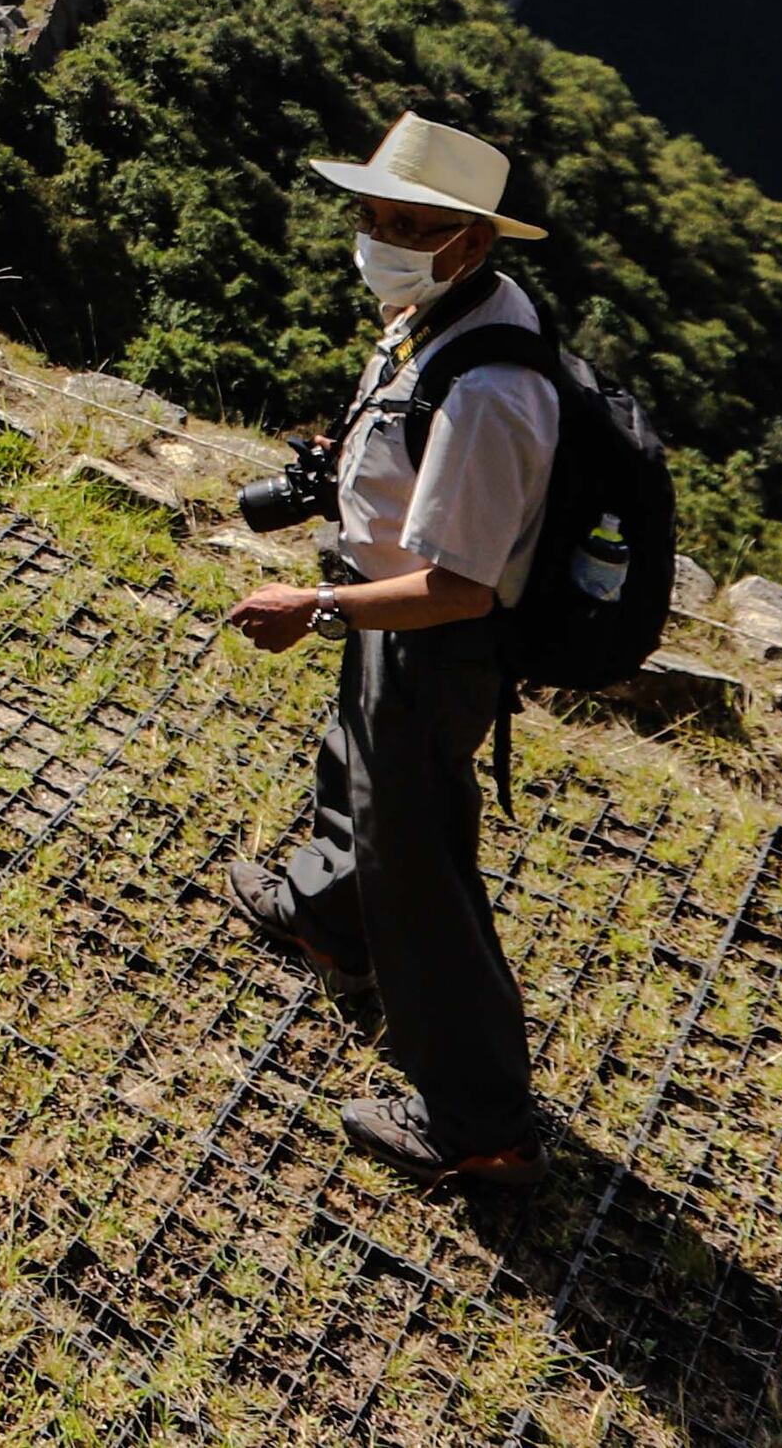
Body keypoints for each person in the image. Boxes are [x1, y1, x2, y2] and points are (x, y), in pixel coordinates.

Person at [216, 111, 562, 1188]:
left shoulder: (492, 392)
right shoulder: (445, 313)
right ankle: (326, 915)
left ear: (473, 236)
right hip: (390, 607)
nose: (380, 236)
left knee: (421, 872)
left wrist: (315, 604)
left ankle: (482, 1125)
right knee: (354, 768)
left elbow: (457, 589)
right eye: (371, 213)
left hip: (434, 636)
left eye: (409, 222)